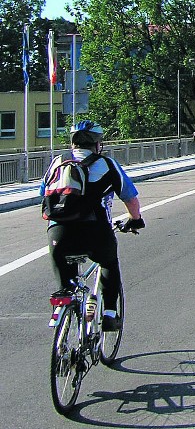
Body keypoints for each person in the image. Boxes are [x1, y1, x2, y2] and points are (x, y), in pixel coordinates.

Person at [40, 121, 144, 331]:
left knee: (65, 288)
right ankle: (109, 314)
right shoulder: (106, 164)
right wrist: (135, 219)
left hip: (58, 232)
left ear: (73, 143)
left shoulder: (57, 163)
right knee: (109, 263)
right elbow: (130, 198)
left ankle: (63, 308)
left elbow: (43, 193)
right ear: (98, 144)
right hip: (95, 230)